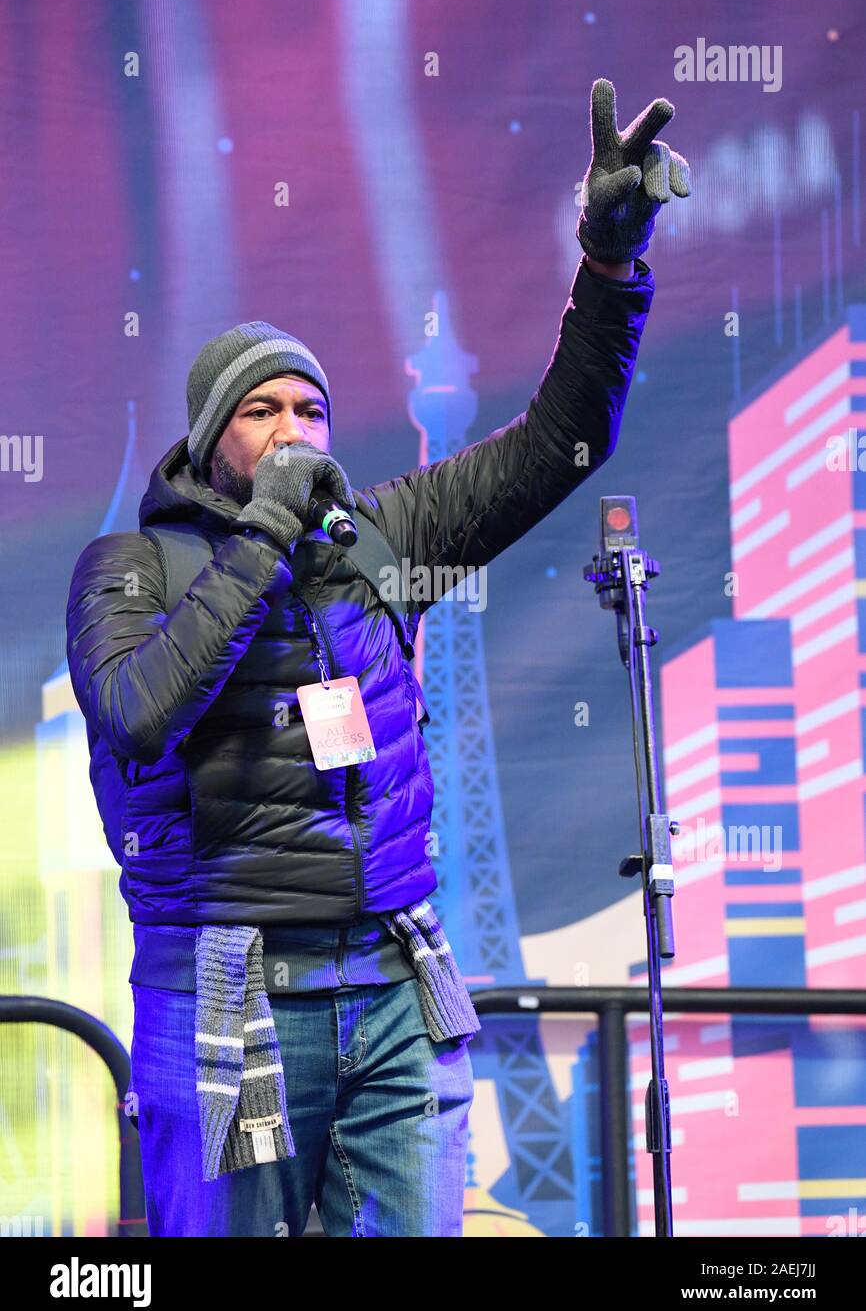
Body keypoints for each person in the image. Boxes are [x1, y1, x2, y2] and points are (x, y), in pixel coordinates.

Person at [65, 78, 689, 1237]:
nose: (298, 431)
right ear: (212, 443)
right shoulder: (132, 562)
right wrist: (261, 536)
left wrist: (608, 269)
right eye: (264, 413)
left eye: (313, 409)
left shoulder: (382, 539)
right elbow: (139, 713)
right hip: (229, 987)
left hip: (394, 980)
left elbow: (565, 437)